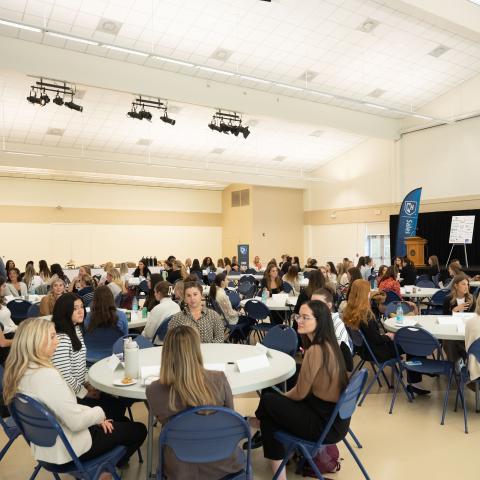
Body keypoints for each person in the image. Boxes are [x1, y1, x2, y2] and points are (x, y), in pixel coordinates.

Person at [2, 317, 146, 470]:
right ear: (34, 342)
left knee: (119, 421)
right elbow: (76, 422)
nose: (57, 341)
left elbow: (64, 409)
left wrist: (95, 417)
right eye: (52, 336)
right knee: (139, 429)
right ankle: (105, 470)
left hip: (45, 450)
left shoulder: (17, 373)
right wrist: (99, 414)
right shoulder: (46, 376)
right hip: (71, 451)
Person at [253, 301, 349, 479]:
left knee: (269, 402)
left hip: (322, 425)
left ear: (319, 321)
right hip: (337, 421)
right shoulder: (331, 344)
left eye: (306, 317)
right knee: (277, 400)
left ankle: (261, 425)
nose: (299, 320)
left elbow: (299, 394)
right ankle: (275, 443)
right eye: (298, 316)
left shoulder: (315, 350)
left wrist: (281, 397)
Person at [146, 326, 244, 479]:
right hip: (224, 462)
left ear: (165, 352)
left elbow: (163, 421)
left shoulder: (153, 390)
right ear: (196, 350)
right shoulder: (218, 379)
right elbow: (230, 419)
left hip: (180, 468)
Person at [51, 293, 128, 421]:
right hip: (71, 400)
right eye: (75, 308)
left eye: (81, 306)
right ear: (65, 311)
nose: (81, 311)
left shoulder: (76, 330)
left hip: (80, 389)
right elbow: (64, 375)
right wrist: (85, 392)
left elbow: (81, 365)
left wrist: (87, 383)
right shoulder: (62, 338)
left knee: (118, 407)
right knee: (117, 408)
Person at [343, 280, 428, 395]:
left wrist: (385, 336)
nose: (370, 294)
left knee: (407, 343)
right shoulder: (365, 314)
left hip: (363, 349)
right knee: (411, 344)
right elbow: (377, 339)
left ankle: (417, 374)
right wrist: (389, 336)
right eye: (368, 292)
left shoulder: (349, 310)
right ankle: (416, 378)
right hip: (377, 351)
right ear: (364, 294)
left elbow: (372, 336)